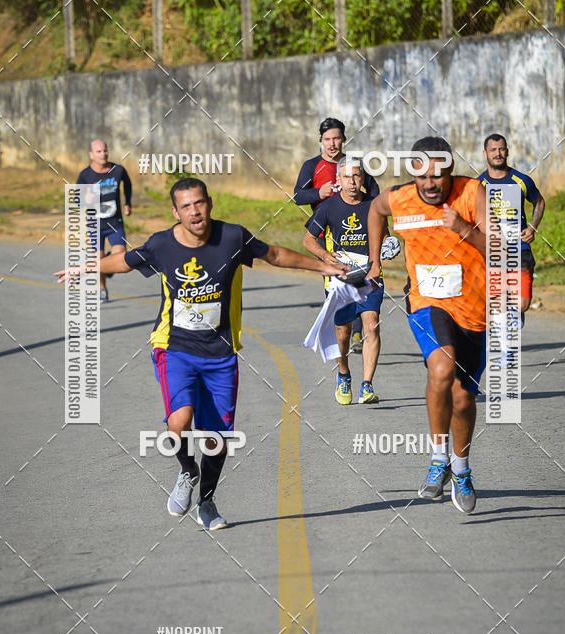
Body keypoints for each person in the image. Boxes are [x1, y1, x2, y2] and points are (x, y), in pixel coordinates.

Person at [56, 177, 347, 530]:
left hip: (221, 353)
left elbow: (274, 254)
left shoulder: (233, 238)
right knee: (179, 421)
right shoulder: (162, 244)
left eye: (200, 203)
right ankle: (186, 470)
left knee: (216, 440)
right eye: (187, 206)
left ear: (209, 203)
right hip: (174, 347)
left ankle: (207, 503)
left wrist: (323, 265)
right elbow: (124, 262)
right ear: (175, 212)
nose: (195, 211)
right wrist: (85, 268)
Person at [367, 137, 487, 514]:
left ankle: (461, 468)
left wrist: (465, 228)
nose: (431, 183)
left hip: (472, 308)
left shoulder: (471, 194)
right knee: (441, 367)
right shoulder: (400, 198)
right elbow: (375, 209)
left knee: (464, 398)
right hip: (426, 302)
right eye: (422, 175)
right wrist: (375, 261)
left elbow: (502, 249)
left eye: (439, 175)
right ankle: (438, 459)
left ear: (451, 171)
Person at [294, 117, 380, 352]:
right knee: (336, 284)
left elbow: (374, 191)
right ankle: (343, 328)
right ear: (321, 141)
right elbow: (297, 196)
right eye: (327, 139)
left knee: (360, 276)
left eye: (336, 139)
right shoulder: (312, 166)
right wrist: (318, 193)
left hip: (355, 229)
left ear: (343, 139)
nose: (332, 144)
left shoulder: (353, 164)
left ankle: (357, 333)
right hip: (325, 231)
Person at [304, 160, 385, 405]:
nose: (352, 182)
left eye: (356, 176)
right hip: (340, 279)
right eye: (347, 177)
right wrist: (325, 256)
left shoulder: (374, 206)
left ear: (362, 179)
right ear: (339, 180)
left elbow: (385, 237)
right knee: (343, 333)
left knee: (371, 326)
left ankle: (367, 385)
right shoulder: (328, 207)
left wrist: (386, 252)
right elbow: (308, 240)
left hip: (369, 276)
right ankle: (343, 374)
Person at [478, 133, 545, 323]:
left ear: (507, 151)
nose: (497, 154)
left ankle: (511, 316)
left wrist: (532, 228)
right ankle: (505, 339)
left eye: (501, 149)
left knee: (522, 304)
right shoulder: (478, 185)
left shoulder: (521, 180)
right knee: (499, 306)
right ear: (485, 154)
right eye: (493, 150)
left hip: (520, 250)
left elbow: (539, 202)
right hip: (493, 252)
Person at [77, 139, 132, 302]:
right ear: (91, 155)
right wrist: (84, 199)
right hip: (95, 225)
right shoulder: (85, 175)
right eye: (99, 151)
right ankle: (102, 288)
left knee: (120, 255)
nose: (103, 154)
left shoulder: (118, 170)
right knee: (98, 260)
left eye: (105, 150)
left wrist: (128, 203)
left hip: (115, 223)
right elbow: (76, 201)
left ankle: (108, 267)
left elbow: (127, 185)